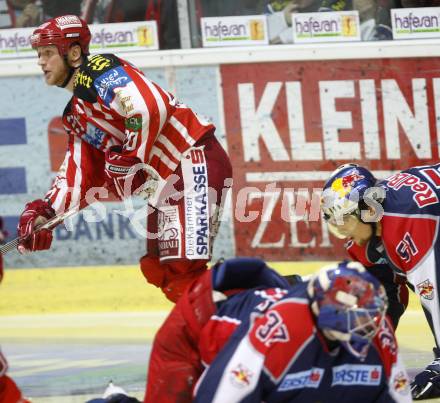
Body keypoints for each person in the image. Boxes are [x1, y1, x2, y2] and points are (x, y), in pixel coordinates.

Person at [17, 14, 232, 302]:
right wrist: (46, 214)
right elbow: (77, 177)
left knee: (182, 268)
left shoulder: (98, 68)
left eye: (47, 53)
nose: (41, 62)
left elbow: (147, 107)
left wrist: (130, 154)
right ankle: (269, 297)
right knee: (164, 273)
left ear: (75, 52)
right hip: (168, 183)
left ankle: (266, 307)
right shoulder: (76, 116)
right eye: (38, 55)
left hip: (193, 159)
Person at [144, 258, 411, 402]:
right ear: (324, 311)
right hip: (193, 330)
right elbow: (217, 396)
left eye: (371, 313)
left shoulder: (378, 328)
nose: (366, 325)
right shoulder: (279, 333)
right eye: (353, 316)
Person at [321, 162, 440, 400]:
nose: (343, 230)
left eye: (346, 219)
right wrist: (367, 351)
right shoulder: (369, 231)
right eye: (336, 222)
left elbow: (433, 291)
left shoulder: (407, 225)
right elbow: (385, 296)